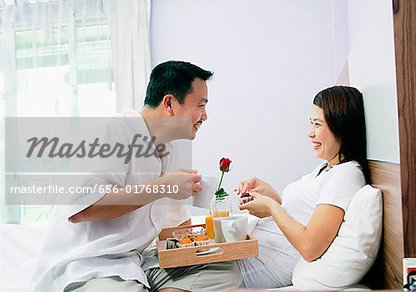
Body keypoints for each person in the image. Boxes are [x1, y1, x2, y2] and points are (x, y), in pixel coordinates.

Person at [148, 85, 369, 290]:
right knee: (161, 256)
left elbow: (310, 246)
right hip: (253, 246)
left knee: (165, 266)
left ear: (341, 125)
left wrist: (272, 207)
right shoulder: (326, 168)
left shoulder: (346, 175)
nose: (310, 133)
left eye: (317, 124)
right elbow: (306, 215)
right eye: (311, 123)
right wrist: (271, 196)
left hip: (262, 262)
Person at [32, 61, 214, 292]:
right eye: (200, 105)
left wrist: (212, 237)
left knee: (224, 270)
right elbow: (81, 209)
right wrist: (163, 187)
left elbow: (174, 226)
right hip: (91, 264)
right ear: (169, 103)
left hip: (136, 263)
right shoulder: (112, 130)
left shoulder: (169, 149)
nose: (205, 116)